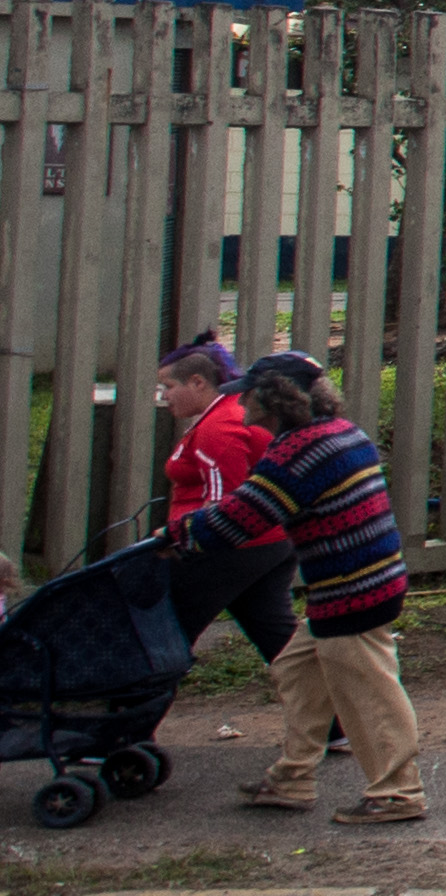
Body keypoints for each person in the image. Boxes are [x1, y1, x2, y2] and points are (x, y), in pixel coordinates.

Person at [172, 351, 424, 824]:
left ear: (275, 399)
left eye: (249, 394)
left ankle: (397, 793)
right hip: (364, 580)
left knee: (368, 691)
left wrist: (179, 534)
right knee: (296, 668)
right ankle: (292, 778)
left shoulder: (297, 451)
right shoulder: (340, 433)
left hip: (352, 590)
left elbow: (244, 517)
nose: (241, 401)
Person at [151, 333, 304, 720]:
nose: (163, 396)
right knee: (277, 636)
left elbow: (227, 505)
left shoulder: (217, 429)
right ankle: (335, 724)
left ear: (198, 383)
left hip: (231, 551)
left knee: (167, 632)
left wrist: (183, 540)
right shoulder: (225, 416)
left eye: (168, 387)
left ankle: (127, 729)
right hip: (271, 545)